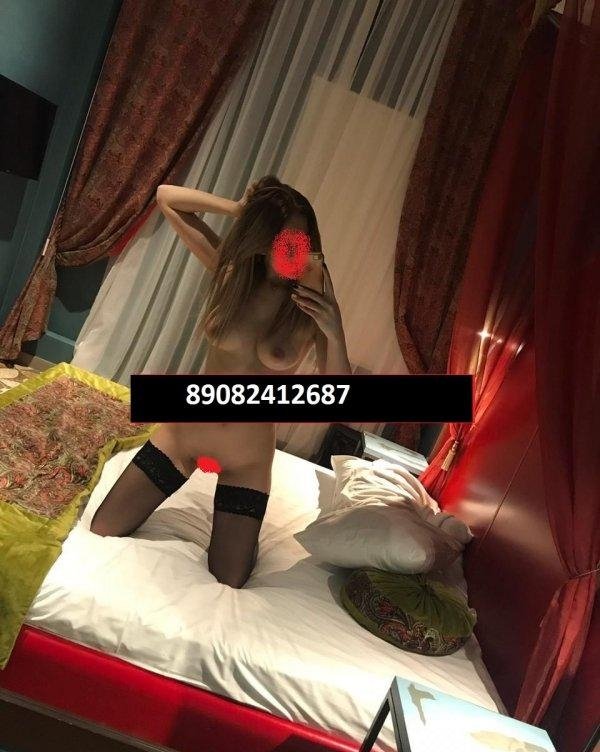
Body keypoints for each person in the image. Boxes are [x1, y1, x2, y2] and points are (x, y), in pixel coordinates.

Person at [89, 175, 351, 588]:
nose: (291, 250)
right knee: (104, 527)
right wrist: (239, 210)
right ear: (261, 237)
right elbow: (167, 198)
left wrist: (334, 332)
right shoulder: (231, 274)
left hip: (247, 459)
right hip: (184, 436)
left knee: (229, 578)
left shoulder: (310, 310)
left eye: (300, 241)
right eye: (280, 238)